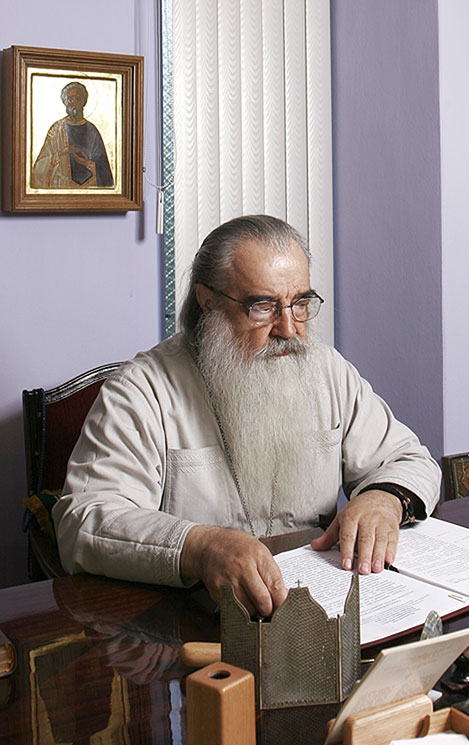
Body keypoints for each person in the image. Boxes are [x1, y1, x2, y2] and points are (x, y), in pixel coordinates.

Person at [54, 215, 441, 617]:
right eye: (263, 307)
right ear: (208, 302)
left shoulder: (326, 370)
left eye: (300, 303)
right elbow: (85, 521)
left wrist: (384, 499)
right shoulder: (142, 390)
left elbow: (410, 460)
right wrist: (201, 546)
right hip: (192, 622)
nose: (288, 329)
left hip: (316, 612)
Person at [32, 81, 114, 189]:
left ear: (84, 102)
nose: (74, 103)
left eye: (78, 99)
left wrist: (86, 163)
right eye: (70, 99)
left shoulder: (92, 131)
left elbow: (104, 172)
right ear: (65, 102)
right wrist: (62, 153)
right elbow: (39, 168)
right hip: (62, 187)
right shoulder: (57, 130)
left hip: (89, 189)